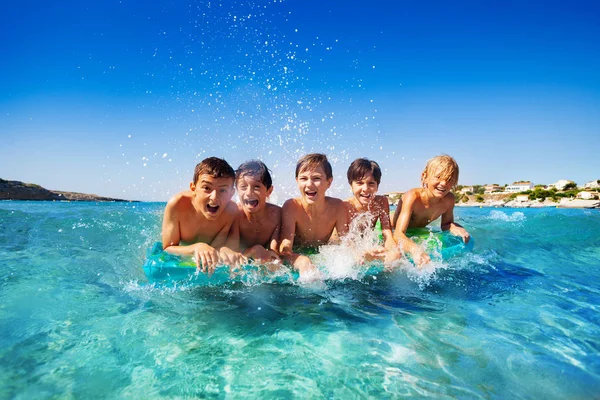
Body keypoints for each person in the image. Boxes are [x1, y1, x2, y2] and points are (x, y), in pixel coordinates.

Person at [162, 157, 245, 274]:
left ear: (231, 193)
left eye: (222, 190)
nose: (214, 197)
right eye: (207, 188)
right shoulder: (178, 204)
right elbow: (167, 249)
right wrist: (196, 247)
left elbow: (220, 248)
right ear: (193, 188)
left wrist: (224, 250)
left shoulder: (231, 211)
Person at [392, 154, 470, 265]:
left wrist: (454, 227)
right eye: (438, 177)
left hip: (416, 230)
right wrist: (415, 250)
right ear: (424, 176)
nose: (443, 183)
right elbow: (398, 234)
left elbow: (446, 224)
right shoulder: (413, 197)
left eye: (449, 179)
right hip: (391, 226)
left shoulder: (449, 200)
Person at [280, 153, 348, 277]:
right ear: (297, 181)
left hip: (321, 253)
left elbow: (347, 244)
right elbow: (284, 250)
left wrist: (361, 255)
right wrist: (301, 261)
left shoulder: (338, 207)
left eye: (316, 178)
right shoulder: (292, 207)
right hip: (299, 252)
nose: (309, 184)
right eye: (303, 178)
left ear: (329, 182)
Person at [344, 158, 399, 263]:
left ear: (377, 186)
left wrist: (392, 251)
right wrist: (357, 253)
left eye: (371, 183)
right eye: (359, 183)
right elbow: (343, 240)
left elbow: (386, 231)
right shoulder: (345, 206)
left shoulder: (381, 202)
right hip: (345, 244)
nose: (365, 189)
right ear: (351, 185)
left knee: (396, 256)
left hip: (365, 242)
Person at [232, 160, 281, 263]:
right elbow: (233, 253)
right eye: (243, 187)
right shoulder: (235, 214)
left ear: (269, 191)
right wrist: (254, 250)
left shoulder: (277, 215)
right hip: (244, 254)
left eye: (257, 187)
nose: (249, 192)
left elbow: (275, 253)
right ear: (237, 190)